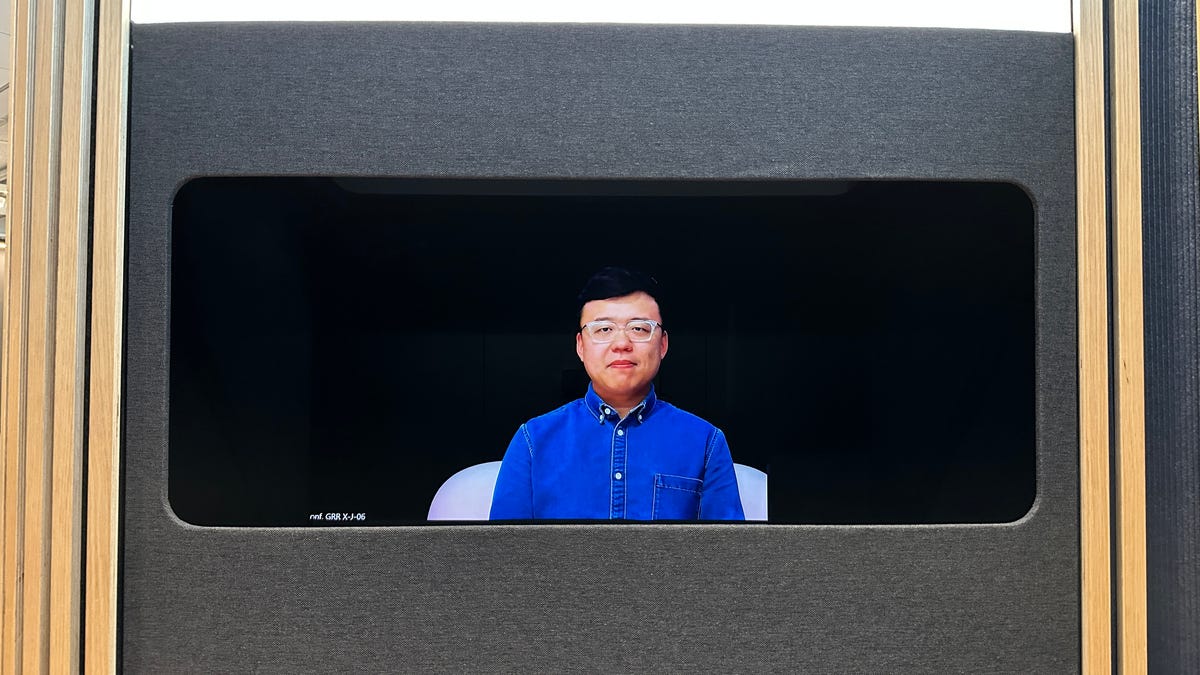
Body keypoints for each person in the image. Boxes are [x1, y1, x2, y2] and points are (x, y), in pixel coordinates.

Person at [489, 267, 744, 520]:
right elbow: (502, 554)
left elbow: (728, 555)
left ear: (663, 344)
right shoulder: (532, 441)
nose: (622, 344)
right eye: (604, 330)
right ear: (580, 346)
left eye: (639, 328)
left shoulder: (705, 442)